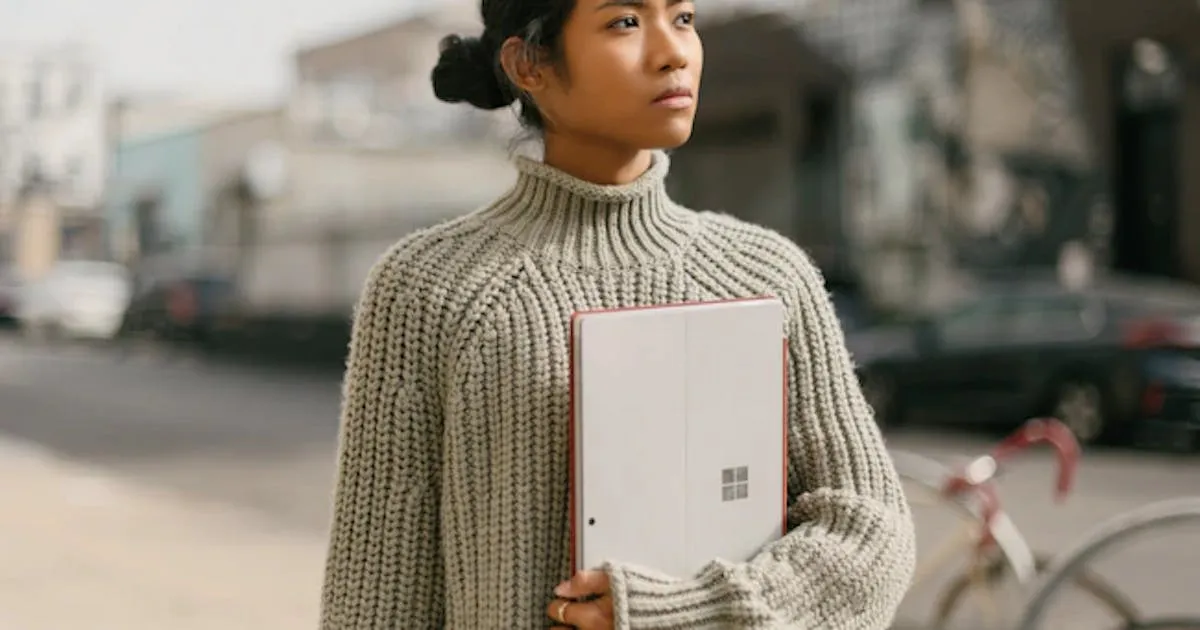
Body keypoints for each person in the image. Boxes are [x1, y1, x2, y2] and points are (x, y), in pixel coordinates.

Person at [318, 0, 916, 627]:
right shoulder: (428, 289)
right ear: (530, 64)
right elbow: (376, 603)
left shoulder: (771, 277)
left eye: (683, 18)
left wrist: (695, 612)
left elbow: (870, 529)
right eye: (625, 22)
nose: (672, 51)